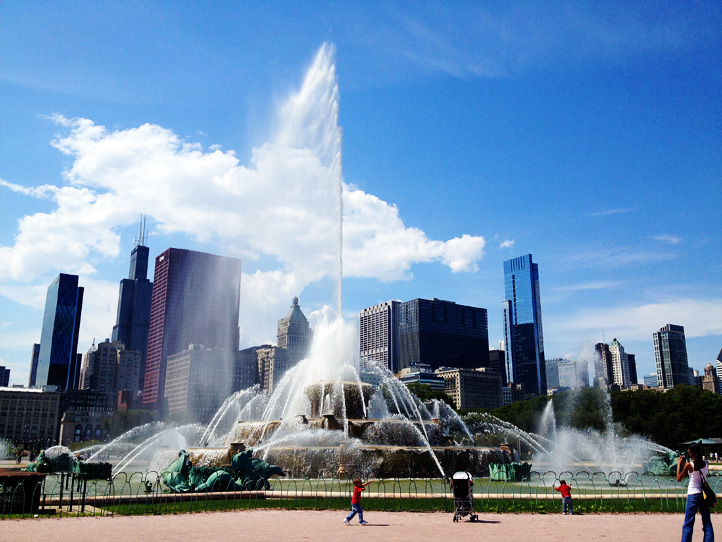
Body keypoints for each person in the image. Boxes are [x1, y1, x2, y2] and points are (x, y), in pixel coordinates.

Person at [677, 441, 715, 542]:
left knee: (688, 523)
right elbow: (698, 468)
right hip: (703, 495)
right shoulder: (706, 464)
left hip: (693, 494)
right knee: (707, 522)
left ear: (690, 453)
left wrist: (679, 464)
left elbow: (679, 478)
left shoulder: (689, 465)